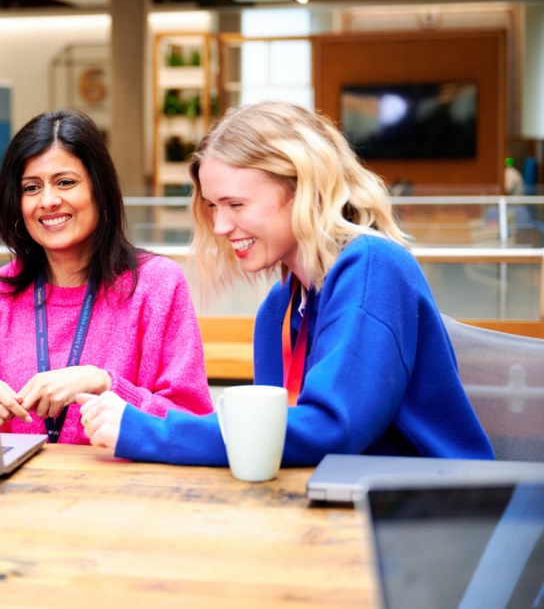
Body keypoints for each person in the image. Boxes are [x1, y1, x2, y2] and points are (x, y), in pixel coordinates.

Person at [78, 101, 494, 464]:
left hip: (433, 512)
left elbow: (332, 428)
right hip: (341, 499)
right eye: (212, 207)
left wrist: (146, 433)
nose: (220, 226)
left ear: (302, 189)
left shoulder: (372, 266)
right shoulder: (279, 308)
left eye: (236, 204)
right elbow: (273, 441)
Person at [0, 109, 212, 445]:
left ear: (99, 189)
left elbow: (194, 425)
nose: (48, 201)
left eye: (65, 182)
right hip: (8, 494)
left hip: (123, 492)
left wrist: (105, 383)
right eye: (31, 188)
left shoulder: (157, 285)